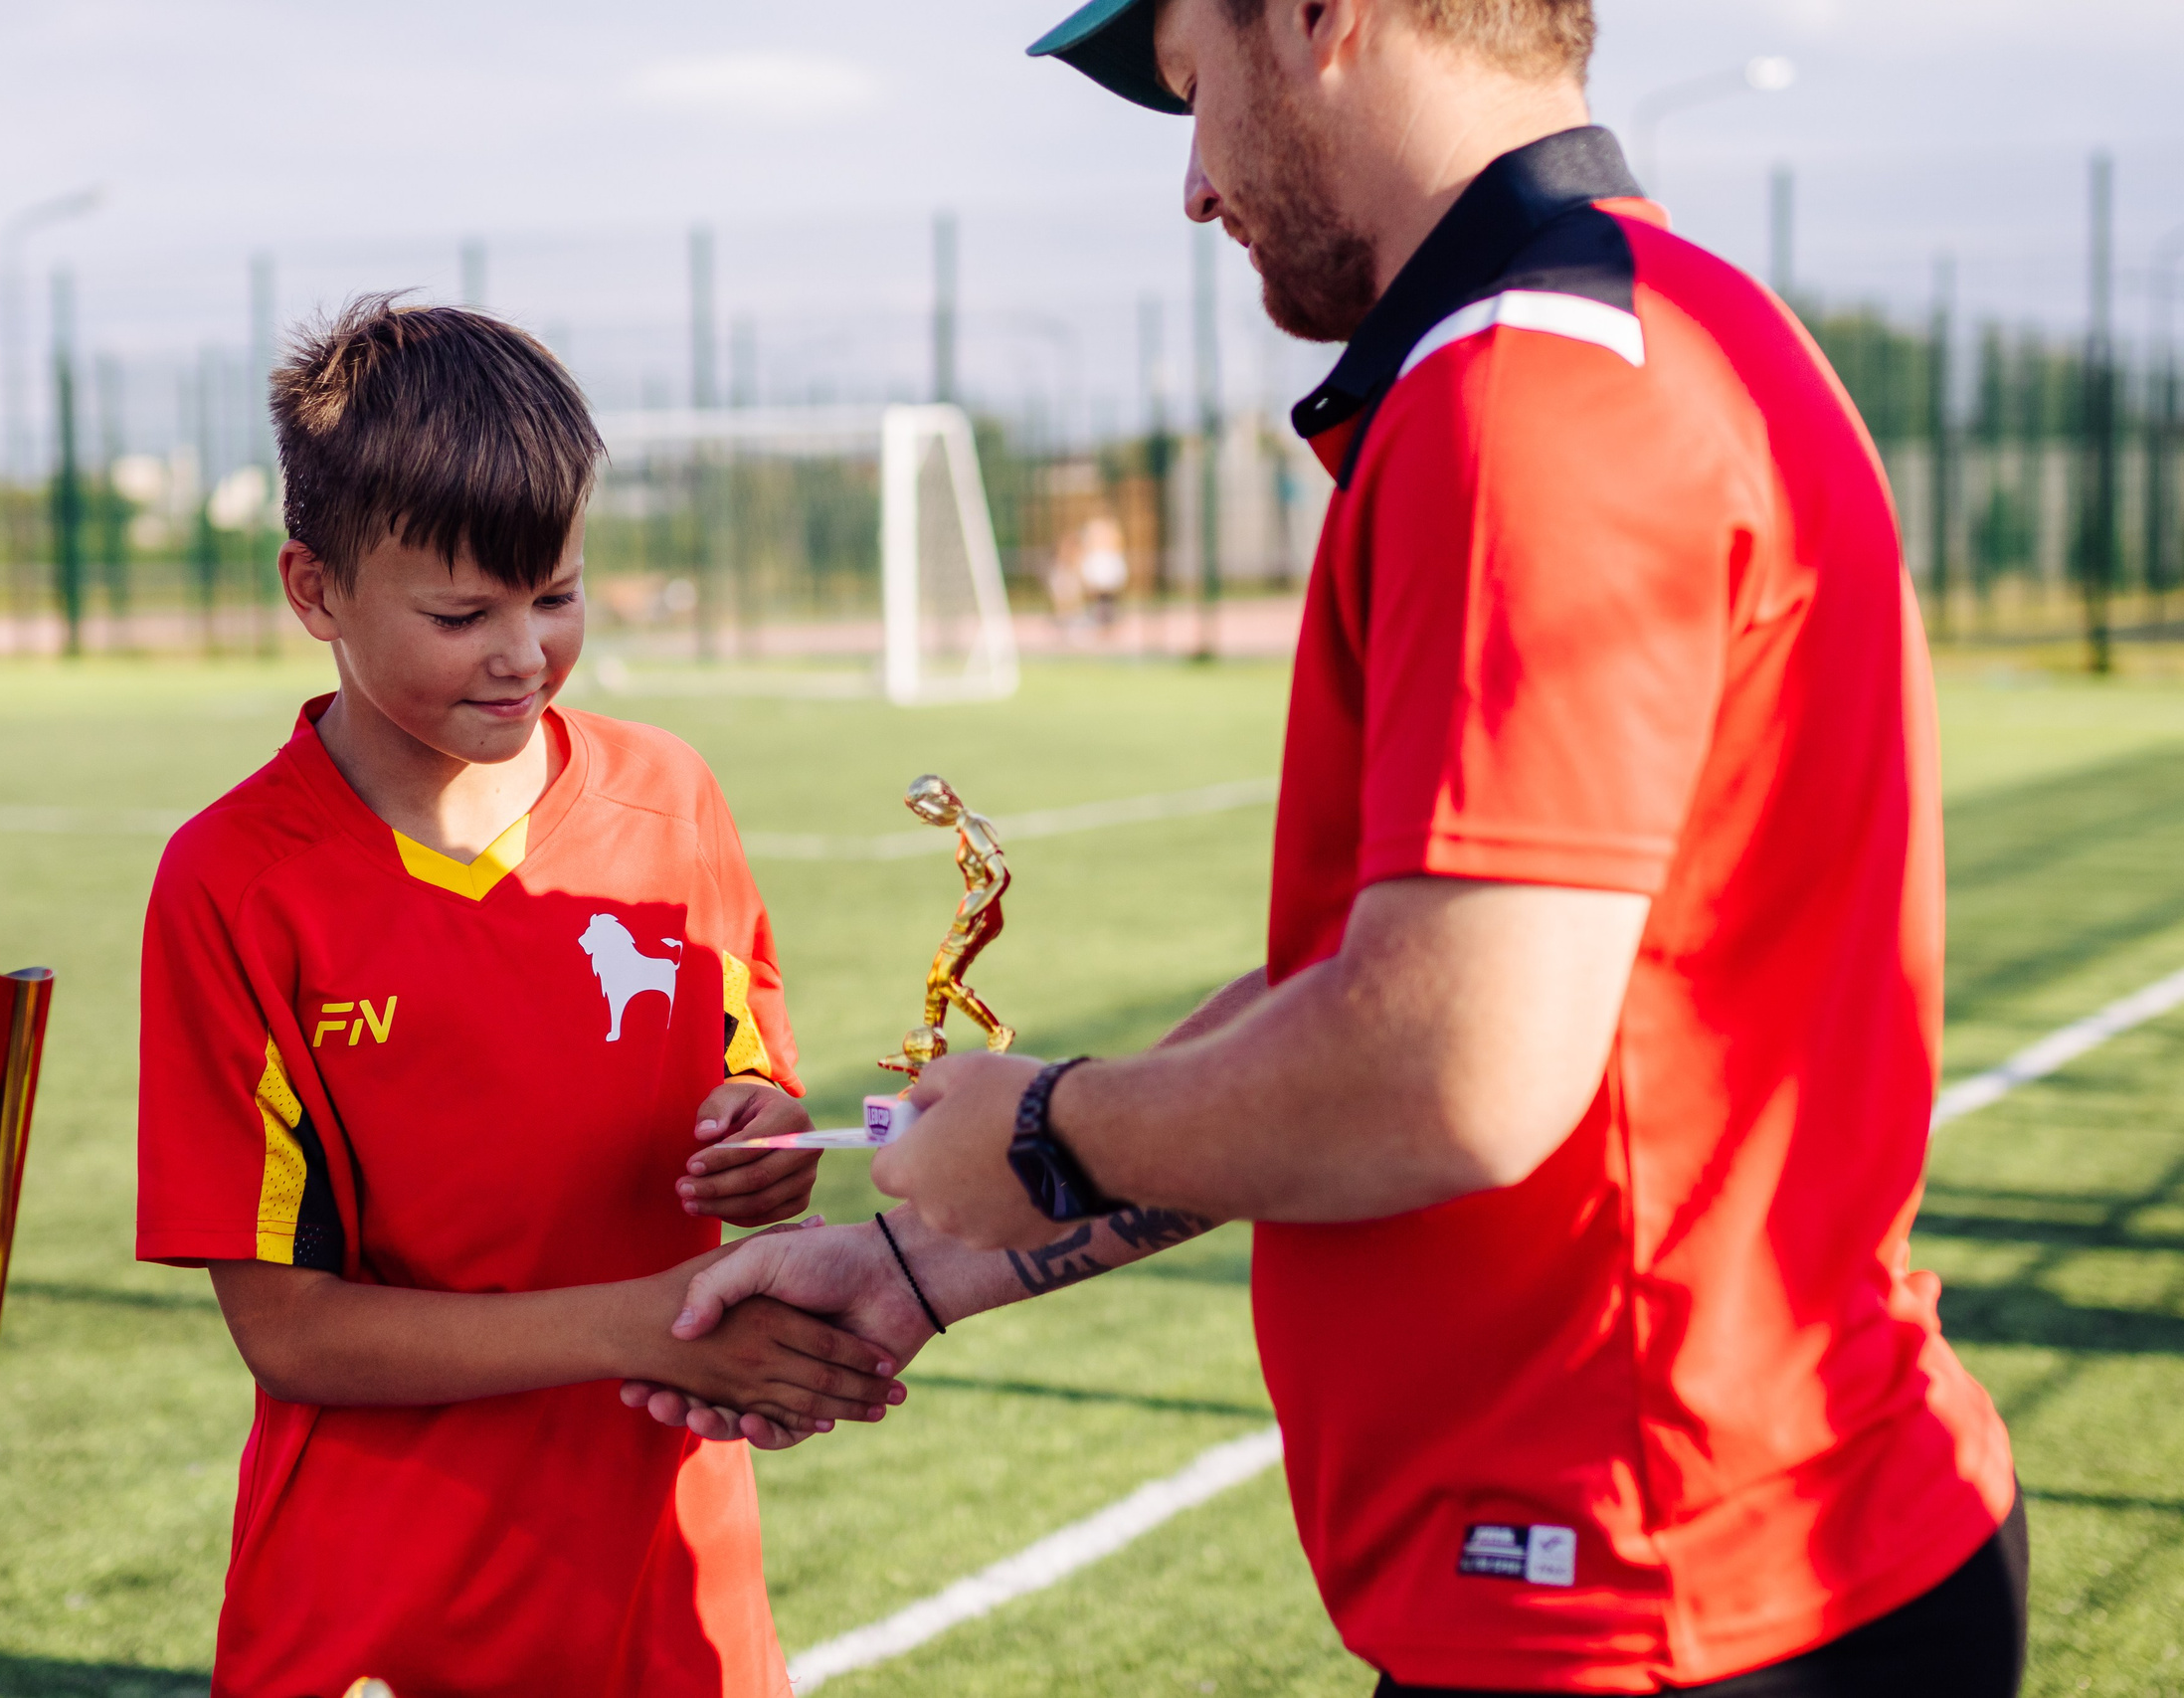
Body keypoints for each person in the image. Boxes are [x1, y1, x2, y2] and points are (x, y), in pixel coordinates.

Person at [626, 1, 2029, 1693]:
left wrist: (1052, 1131)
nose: (1194, 187)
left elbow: (1450, 1067)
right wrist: (925, 1265)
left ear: (1318, 17)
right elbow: (1366, 995)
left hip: (1652, 1581)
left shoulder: (1529, 396)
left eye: (1191, 89)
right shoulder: (1684, 320)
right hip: (1743, 1538)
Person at [135, 296, 903, 1698]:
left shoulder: (670, 798)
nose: (521, 653)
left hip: (670, 1575)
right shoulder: (236, 884)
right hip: (384, 1592)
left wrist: (764, 1145)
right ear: (314, 591)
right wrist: (648, 1319)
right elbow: (292, 1333)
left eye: (554, 596)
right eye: (460, 614)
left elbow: (753, 1109)